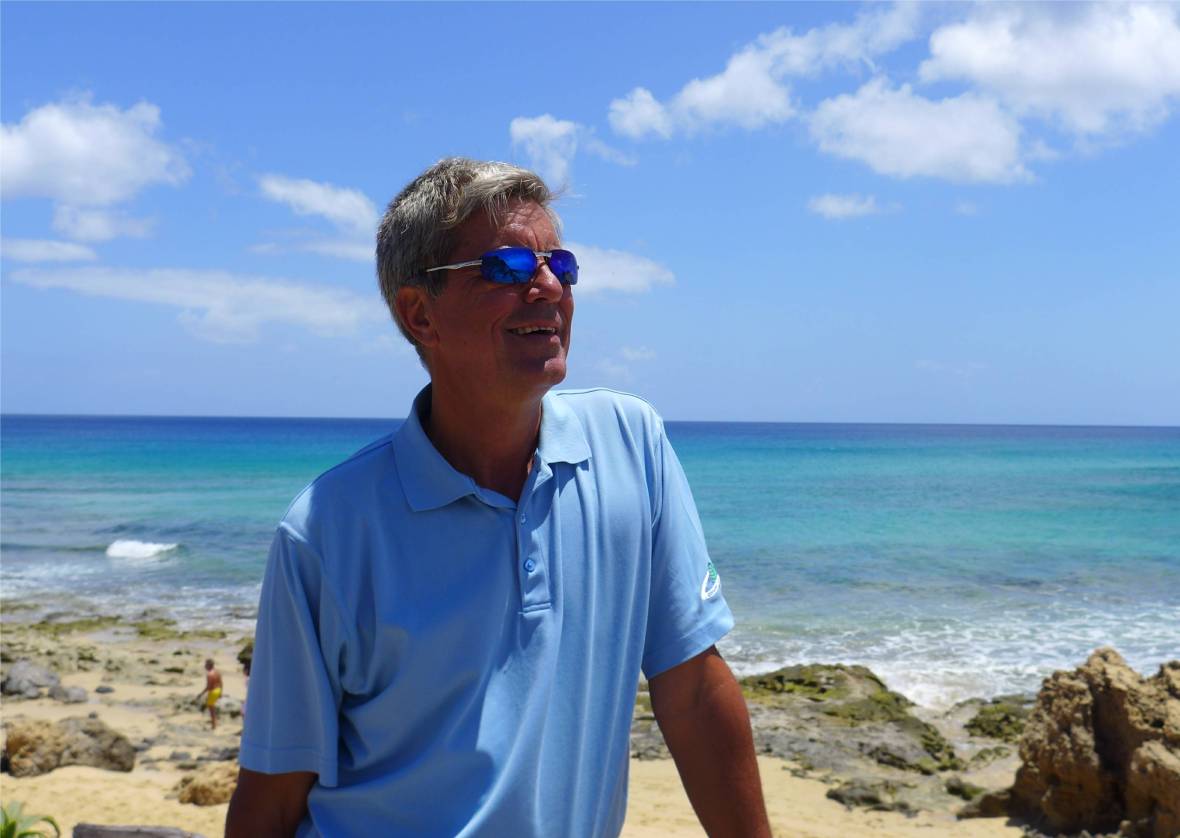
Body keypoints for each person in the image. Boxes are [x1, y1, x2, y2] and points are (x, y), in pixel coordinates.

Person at [227, 158, 770, 837]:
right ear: (419, 314)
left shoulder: (632, 444)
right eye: (508, 268)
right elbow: (274, 793)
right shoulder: (327, 530)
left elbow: (691, 688)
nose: (548, 286)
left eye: (560, 264)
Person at [195, 658, 222, 731]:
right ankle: (215, 723)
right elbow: (221, 683)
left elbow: (208, 687)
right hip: (218, 690)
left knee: (211, 709)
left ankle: (214, 725)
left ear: (209, 665)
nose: (204, 666)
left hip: (213, 692)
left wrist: (201, 694)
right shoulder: (217, 672)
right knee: (213, 707)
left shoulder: (209, 674)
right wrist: (220, 693)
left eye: (206, 664)